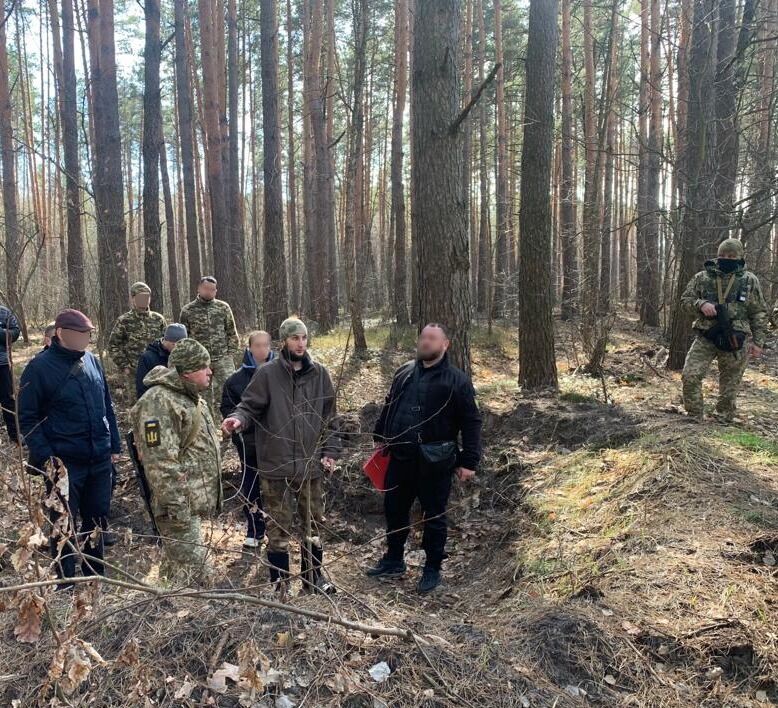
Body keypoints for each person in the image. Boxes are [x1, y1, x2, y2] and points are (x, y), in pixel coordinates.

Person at [221, 317, 340, 594]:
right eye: (294, 338)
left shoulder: (320, 374)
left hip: (310, 468)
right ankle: (279, 582)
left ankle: (314, 580)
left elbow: (330, 419)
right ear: (283, 341)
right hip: (276, 468)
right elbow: (248, 407)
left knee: (313, 526)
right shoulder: (267, 374)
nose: (300, 343)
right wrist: (237, 420)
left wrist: (330, 452)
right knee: (278, 529)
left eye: (304, 338)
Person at [367, 323, 482, 593]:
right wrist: (380, 433)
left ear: (445, 345)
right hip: (400, 457)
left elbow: (472, 421)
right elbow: (390, 403)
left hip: (436, 463)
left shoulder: (457, 381)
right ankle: (394, 560)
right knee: (394, 510)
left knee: (434, 517)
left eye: (432, 338)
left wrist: (469, 461)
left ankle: (432, 569)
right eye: (423, 337)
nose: (426, 342)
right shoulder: (404, 372)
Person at [18, 309, 121, 584]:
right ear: (61, 334)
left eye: (88, 335)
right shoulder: (38, 368)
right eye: (80, 335)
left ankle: (94, 578)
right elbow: (26, 418)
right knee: (62, 524)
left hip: (99, 458)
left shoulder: (94, 362)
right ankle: (65, 582)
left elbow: (106, 407)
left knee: (96, 518)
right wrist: (47, 458)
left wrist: (113, 446)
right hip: (64, 463)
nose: (84, 340)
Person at [131, 338, 222, 584]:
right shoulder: (158, 402)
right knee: (198, 579)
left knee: (177, 572)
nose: (210, 371)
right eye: (205, 366)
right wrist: (177, 507)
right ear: (188, 372)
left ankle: (167, 605)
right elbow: (159, 462)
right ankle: (184, 617)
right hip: (177, 509)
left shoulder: (189, 397)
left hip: (188, 505)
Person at [680, 238, 768, 422]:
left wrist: (758, 343)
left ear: (739, 257)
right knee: (690, 375)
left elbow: (758, 312)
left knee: (730, 384)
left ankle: (723, 419)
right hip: (707, 335)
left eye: (731, 256)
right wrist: (700, 303)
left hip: (736, 339)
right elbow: (685, 302)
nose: (725, 258)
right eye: (722, 255)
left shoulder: (749, 280)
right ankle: (694, 416)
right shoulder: (702, 277)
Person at [220, 330, 275, 548]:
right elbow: (227, 407)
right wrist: (239, 424)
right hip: (249, 444)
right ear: (249, 348)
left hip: (276, 443)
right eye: (258, 345)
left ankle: (278, 530)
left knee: (277, 488)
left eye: (266, 345)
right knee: (251, 484)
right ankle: (254, 529)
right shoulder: (235, 380)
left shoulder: (282, 373)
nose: (262, 349)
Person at [179, 276, 239, 422]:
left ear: (216, 291)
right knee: (202, 396)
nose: (209, 292)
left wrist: (230, 353)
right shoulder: (188, 310)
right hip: (200, 362)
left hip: (222, 358)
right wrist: (191, 359)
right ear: (199, 289)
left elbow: (231, 332)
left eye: (212, 290)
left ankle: (231, 425)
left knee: (229, 391)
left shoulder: (223, 307)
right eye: (206, 288)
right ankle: (208, 427)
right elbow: (185, 339)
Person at [108, 281, 167, 400]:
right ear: (133, 299)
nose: (144, 300)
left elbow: (167, 343)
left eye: (147, 297)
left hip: (157, 371)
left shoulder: (158, 319)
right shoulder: (125, 320)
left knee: (160, 404)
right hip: (134, 372)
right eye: (140, 297)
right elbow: (113, 346)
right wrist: (125, 366)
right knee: (137, 406)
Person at [135, 323, 188, 398]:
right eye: (176, 345)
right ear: (168, 341)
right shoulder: (147, 358)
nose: (179, 348)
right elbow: (141, 388)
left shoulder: (183, 355)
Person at [0, 303, 20, 444]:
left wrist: (1, 333)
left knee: (8, 399)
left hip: (2, 364)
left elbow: (15, 332)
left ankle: (15, 434)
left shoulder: (5, 312)